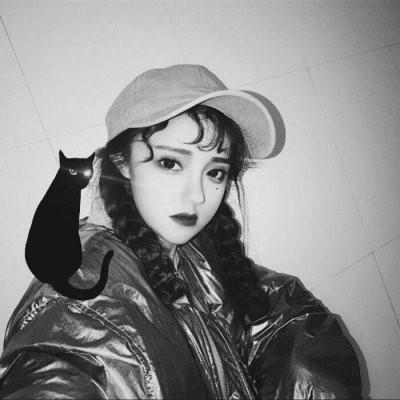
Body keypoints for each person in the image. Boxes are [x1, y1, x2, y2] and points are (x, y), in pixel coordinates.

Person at [0, 64, 362, 399]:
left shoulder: (189, 247)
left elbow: (266, 306)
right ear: (122, 163)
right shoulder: (77, 300)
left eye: (215, 171)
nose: (198, 195)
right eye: (170, 163)